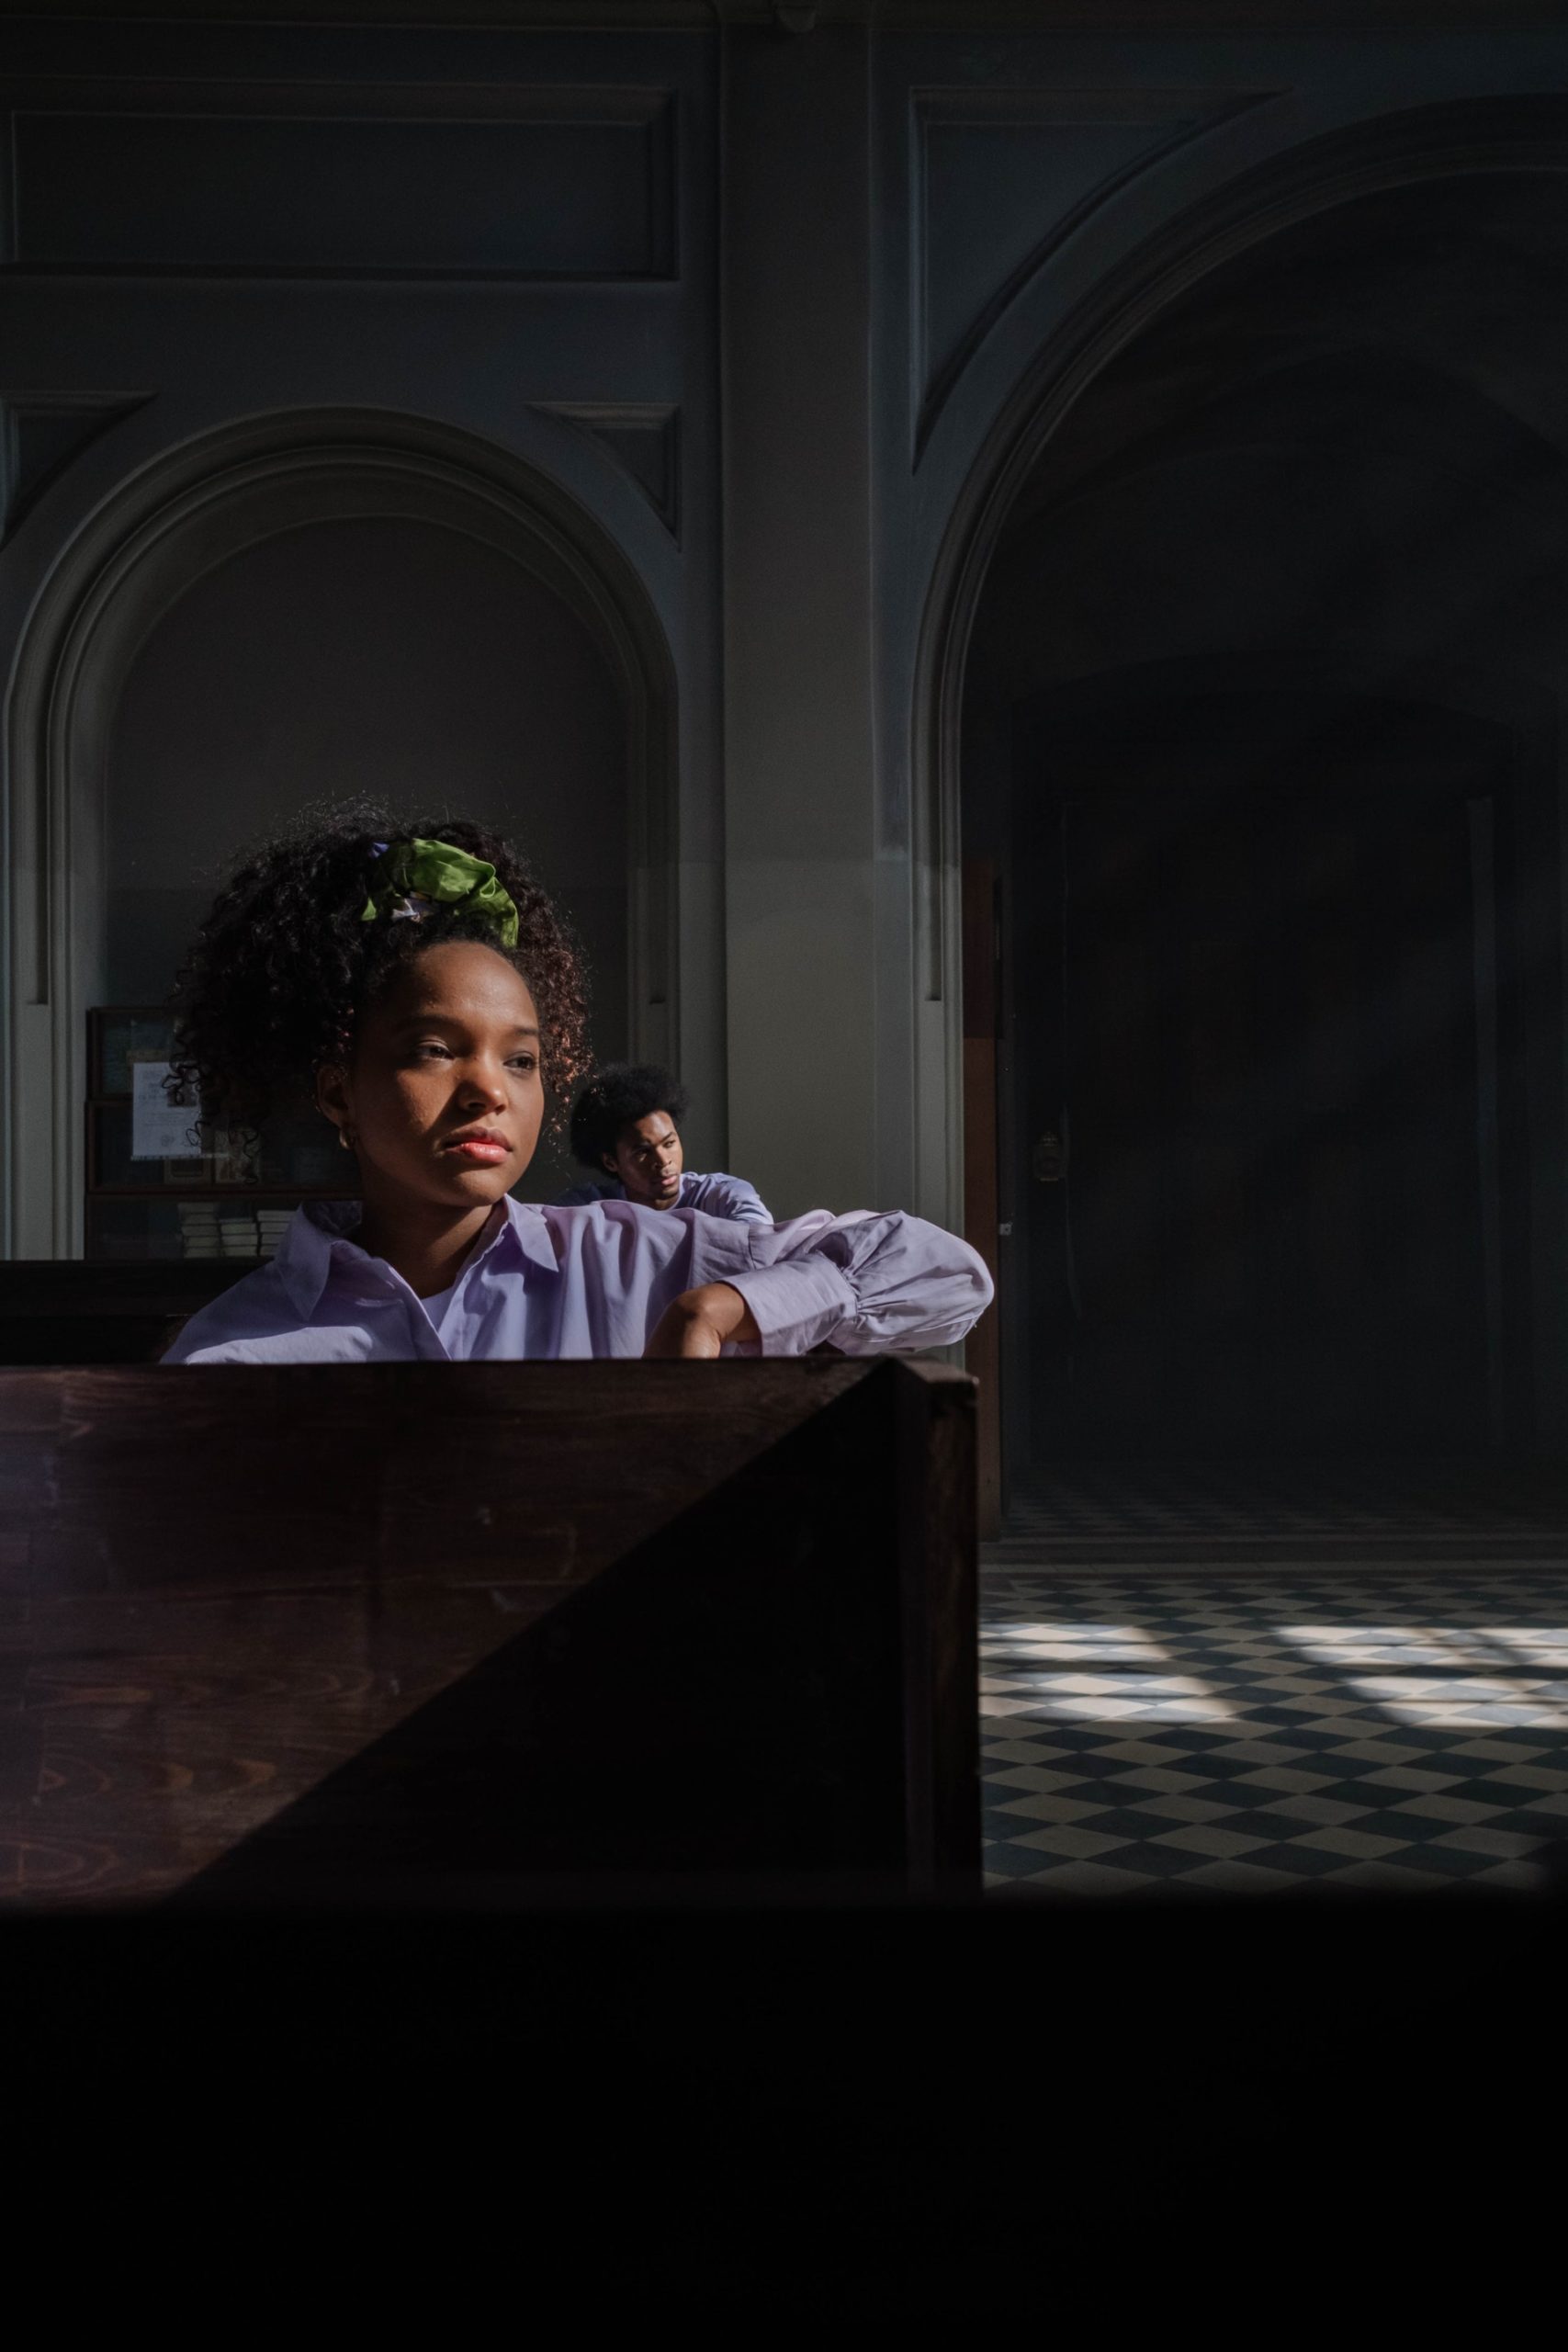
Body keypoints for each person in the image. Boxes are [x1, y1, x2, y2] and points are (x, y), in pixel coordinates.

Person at [160, 810, 992, 1366]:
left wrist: (715, 1311)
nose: (488, 1090)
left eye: (519, 1061)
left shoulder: (635, 1259)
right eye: (434, 1049)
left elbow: (944, 1274)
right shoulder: (231, 1349)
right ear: (338, 1093)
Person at [556, 1064, 771, 1225]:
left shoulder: (721, 1194)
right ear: (611, 1162)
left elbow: (760, 1239)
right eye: (643, 1151)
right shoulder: (585, 1205)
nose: (663, 1160)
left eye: (669, 1143)